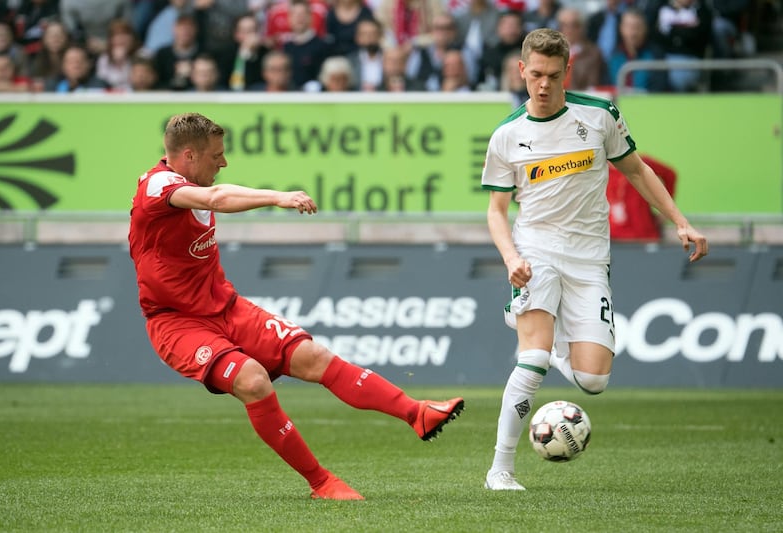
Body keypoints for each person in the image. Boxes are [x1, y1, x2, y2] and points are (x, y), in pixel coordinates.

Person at [127, 112, 464, 501]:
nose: (223, 162)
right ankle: (321, 483)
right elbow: (216, 197)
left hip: (225, 307)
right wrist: (278, 196)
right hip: (178, 324)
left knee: (313, 356)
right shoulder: (159, 185)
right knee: (252, 380)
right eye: (217, 155)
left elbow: (213, 195)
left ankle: (417, 413)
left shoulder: (187, 180)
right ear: (188, 155)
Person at [480, 28, 707, 491]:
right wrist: (510, 258)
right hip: (536, 250)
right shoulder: (507, 136)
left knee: (592, 380)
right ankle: (500, 470)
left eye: (553, 75)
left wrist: (681, 221)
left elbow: (637, 171)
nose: (543, 85)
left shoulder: (600, 117)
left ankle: (547, 337)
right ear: (522, 70)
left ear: (568, 72)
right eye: (535, 74)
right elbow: (497, 211)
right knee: (533, 360)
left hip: (589, 259)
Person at [607, 153, 677, 240]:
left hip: (643, 233)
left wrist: (666, 211)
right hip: (613, 236)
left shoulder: (640, 163)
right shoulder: (598, 169)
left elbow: (670, 175)